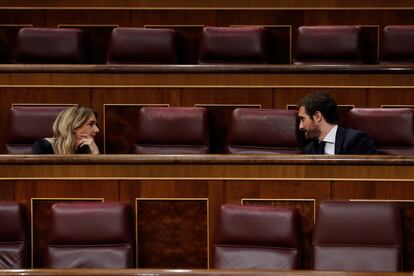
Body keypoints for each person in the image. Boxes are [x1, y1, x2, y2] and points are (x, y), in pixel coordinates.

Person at [297, 92, 376, 154]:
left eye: (303, 119)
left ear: (317, 116)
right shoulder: (310, 149)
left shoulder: (356, 141)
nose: (300, 126)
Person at [32, 105, 100, 154]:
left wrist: (95, 153)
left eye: (96, 125)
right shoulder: (43, 147)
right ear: (74, 127)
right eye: (91, 124)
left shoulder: (90, 146)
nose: (97, 130)